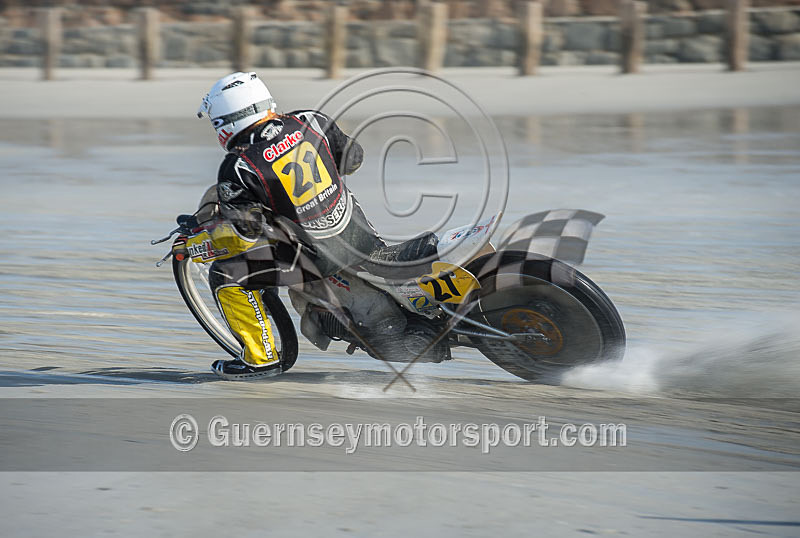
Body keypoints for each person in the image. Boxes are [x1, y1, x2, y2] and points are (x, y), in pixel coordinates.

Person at [186, 72, 447, 380]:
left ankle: (260, 360)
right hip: (362, 237)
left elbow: (246, 232)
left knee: (225, 275)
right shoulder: (311, 119)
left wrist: (207, 236)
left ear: (224, 122)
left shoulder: (239, 166)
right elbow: (353, 159)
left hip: (316, 261)